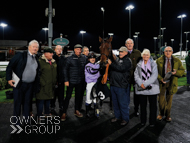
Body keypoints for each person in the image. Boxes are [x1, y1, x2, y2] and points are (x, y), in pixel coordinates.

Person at [6, 40, 39, 124]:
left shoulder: (36, 57)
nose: (35, 48)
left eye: (36, 47)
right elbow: (10, 67)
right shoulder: (20, 55)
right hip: (20, 84)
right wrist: (9, 79)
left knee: (27, 103)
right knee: (18, 103)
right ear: (29, 47)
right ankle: (16, 122)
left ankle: (26, 120)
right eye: (33, 46)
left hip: (30, 85)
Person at [156, 46, 185, 122]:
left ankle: (168, 115)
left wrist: (176, 73)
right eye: (166, 51)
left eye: (169, 51)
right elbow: (155, 72)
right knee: (161, 99)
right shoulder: (158, 60)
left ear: (172, 52)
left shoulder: (177, 60)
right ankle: (161, 114)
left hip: (172, 82)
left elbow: (182, 70)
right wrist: (161, 79)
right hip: (162, 82)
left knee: (169, 100)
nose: (168, 52)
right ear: (164, 52)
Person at [61, 44, 87, 121]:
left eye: (80, 49)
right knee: (68, 97)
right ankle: (64, 112)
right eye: (77, 49)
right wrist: (66, 80)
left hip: (80, 81)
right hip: (71, 81)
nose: (79, 51)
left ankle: (77, 110)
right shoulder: (69, 58)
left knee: (78, 97)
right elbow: (65, 70)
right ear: (74, 50)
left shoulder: (84, 58)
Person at [134, 49, 160, 127]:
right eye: (144, 55)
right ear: (142, 56)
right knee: (142, 106)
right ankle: (143, 121)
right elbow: (136, 75)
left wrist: (144, 84)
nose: (146, 56)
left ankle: (152, 122)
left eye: (147, 55)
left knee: (153, 107)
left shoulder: (153, 64)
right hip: (142, 89)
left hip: (152, 88)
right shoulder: (138, 64)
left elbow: (154, 76)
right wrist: (140, 83)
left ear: (149, 56)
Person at [108, 46, 132, 126]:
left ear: (126, 52)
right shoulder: (117, 59)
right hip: (113, 84)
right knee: (115, 103)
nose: (120, 53)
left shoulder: (128, 60)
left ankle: (125, 119)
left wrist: (111, 64)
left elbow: (121, 68)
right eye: (120, 52)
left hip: (121, 85)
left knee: (122, 103)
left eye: (122, 52)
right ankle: (118, 117)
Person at [36, 48, 57, 119]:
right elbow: (38, 74)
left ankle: (47, 113)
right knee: (41, 100)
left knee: (48, 99)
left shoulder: (53, 61)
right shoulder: (40, 61)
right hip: (43, 85)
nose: (52, 54)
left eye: (52, 53)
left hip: (51, 85)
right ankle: (39, 115)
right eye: (50, 53)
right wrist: (43, 83)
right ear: (45, 54)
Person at [125, 38, 141, 116]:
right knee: (126, 95)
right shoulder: (123, 53)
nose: (130, 44)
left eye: (131, 43)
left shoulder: (138, 53)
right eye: (128, 43)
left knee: (137, 95)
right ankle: (126, 109)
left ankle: (136, 109)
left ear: (133, 44)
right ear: (126, 45)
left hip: (136, 78)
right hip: (126, 78)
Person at [50, 45, 66, 114]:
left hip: (61, 80)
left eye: (60, 49)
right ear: (55, 50)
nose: (59, 50)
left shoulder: (64, 58)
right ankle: (52, 108)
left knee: (61, 95)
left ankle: (61, 107)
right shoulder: (52, 58)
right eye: (58, 49)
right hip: (53, 81)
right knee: (53, 95)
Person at [85, 52, 100, 118]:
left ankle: (96, 111)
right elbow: (93, 72)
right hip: (90, 83)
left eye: (93, 58)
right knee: (88, 97)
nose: (92, 59)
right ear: (88, 59)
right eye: (91, 58)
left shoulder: (97, 64)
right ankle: (87, 112)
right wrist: (100, 65)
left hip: (96, 83)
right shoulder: (87, 65)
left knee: (96, 97)